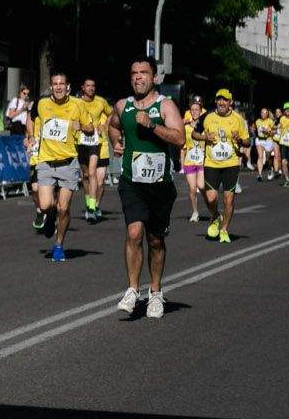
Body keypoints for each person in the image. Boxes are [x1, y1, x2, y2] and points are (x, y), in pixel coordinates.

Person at [113, 56, 184, 320]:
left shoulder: (165, 105)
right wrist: (116, 141)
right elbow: (113, 125)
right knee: (134, 233)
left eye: (144, 72)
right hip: (132, 182)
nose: (138, 77)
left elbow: (180, 138)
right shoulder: (123, 105)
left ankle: (155, 292)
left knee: (155, 240)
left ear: (154, 77)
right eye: (134, 73)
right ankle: (133, 289)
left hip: (159, 185)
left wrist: (152, 125)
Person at [29, 72, 86, 261]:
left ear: (68, 86)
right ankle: (49, 214)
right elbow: (31, 117)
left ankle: (59, 245)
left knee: (64, 209)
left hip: (68, 163)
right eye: (55, 84)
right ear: (51, 87)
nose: (59, 87)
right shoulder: (42, 104)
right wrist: (30, 136)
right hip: (46, 162)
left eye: (62, 84)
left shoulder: (78, 104)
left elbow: (90, 127)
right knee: (46, 205)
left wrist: (81, 127)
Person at [198, 89, 248, 244]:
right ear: (216, 101)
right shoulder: (207, 116)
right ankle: (215, 216)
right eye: (219, 99)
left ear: (230, 102)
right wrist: (204, 137)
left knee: (228, 199)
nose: (221, 102)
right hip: (211, 163)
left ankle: (224, 229)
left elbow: (247, 141)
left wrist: (240, 140)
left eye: (225, 100)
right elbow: (194, 134)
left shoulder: (238, 119)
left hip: (231, 164)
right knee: (211, 198)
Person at [77, 76, 112, 224]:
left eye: (93, 86)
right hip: (82, 143)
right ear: (83, 88)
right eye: (88, 86)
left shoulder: (101, 101)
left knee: (100, 180)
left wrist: (105, 125)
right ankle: (89, 204)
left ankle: (94, 207)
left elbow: (111, 113)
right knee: (86, 176)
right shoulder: (77, 103)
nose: (91, 88)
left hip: (99, 143)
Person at [180, 95, 207, 221]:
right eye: (192, 110)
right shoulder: (186, 127)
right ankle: (195, 212)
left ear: (201, 111)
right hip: (190, 161)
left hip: (202, 161)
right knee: (192, 189)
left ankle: (211, 207)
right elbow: (182, 145)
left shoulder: (205, 126)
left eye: (197, 109)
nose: (195, 111)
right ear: (190, 112)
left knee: (201, 186)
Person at [253, 107, 278, 182]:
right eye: (262, 112)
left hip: (268, 140)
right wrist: (252, 129)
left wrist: (269, 131)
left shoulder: (270, 121)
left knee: (268, 158)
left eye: (265, 113)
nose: (264, 114)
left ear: (267, 114)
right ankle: (260, 174)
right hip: (259, 140)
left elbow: (275, 130)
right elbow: (253, 128)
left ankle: (270, 169)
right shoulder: (257, 121)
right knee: (260, 156)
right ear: (260, 114)